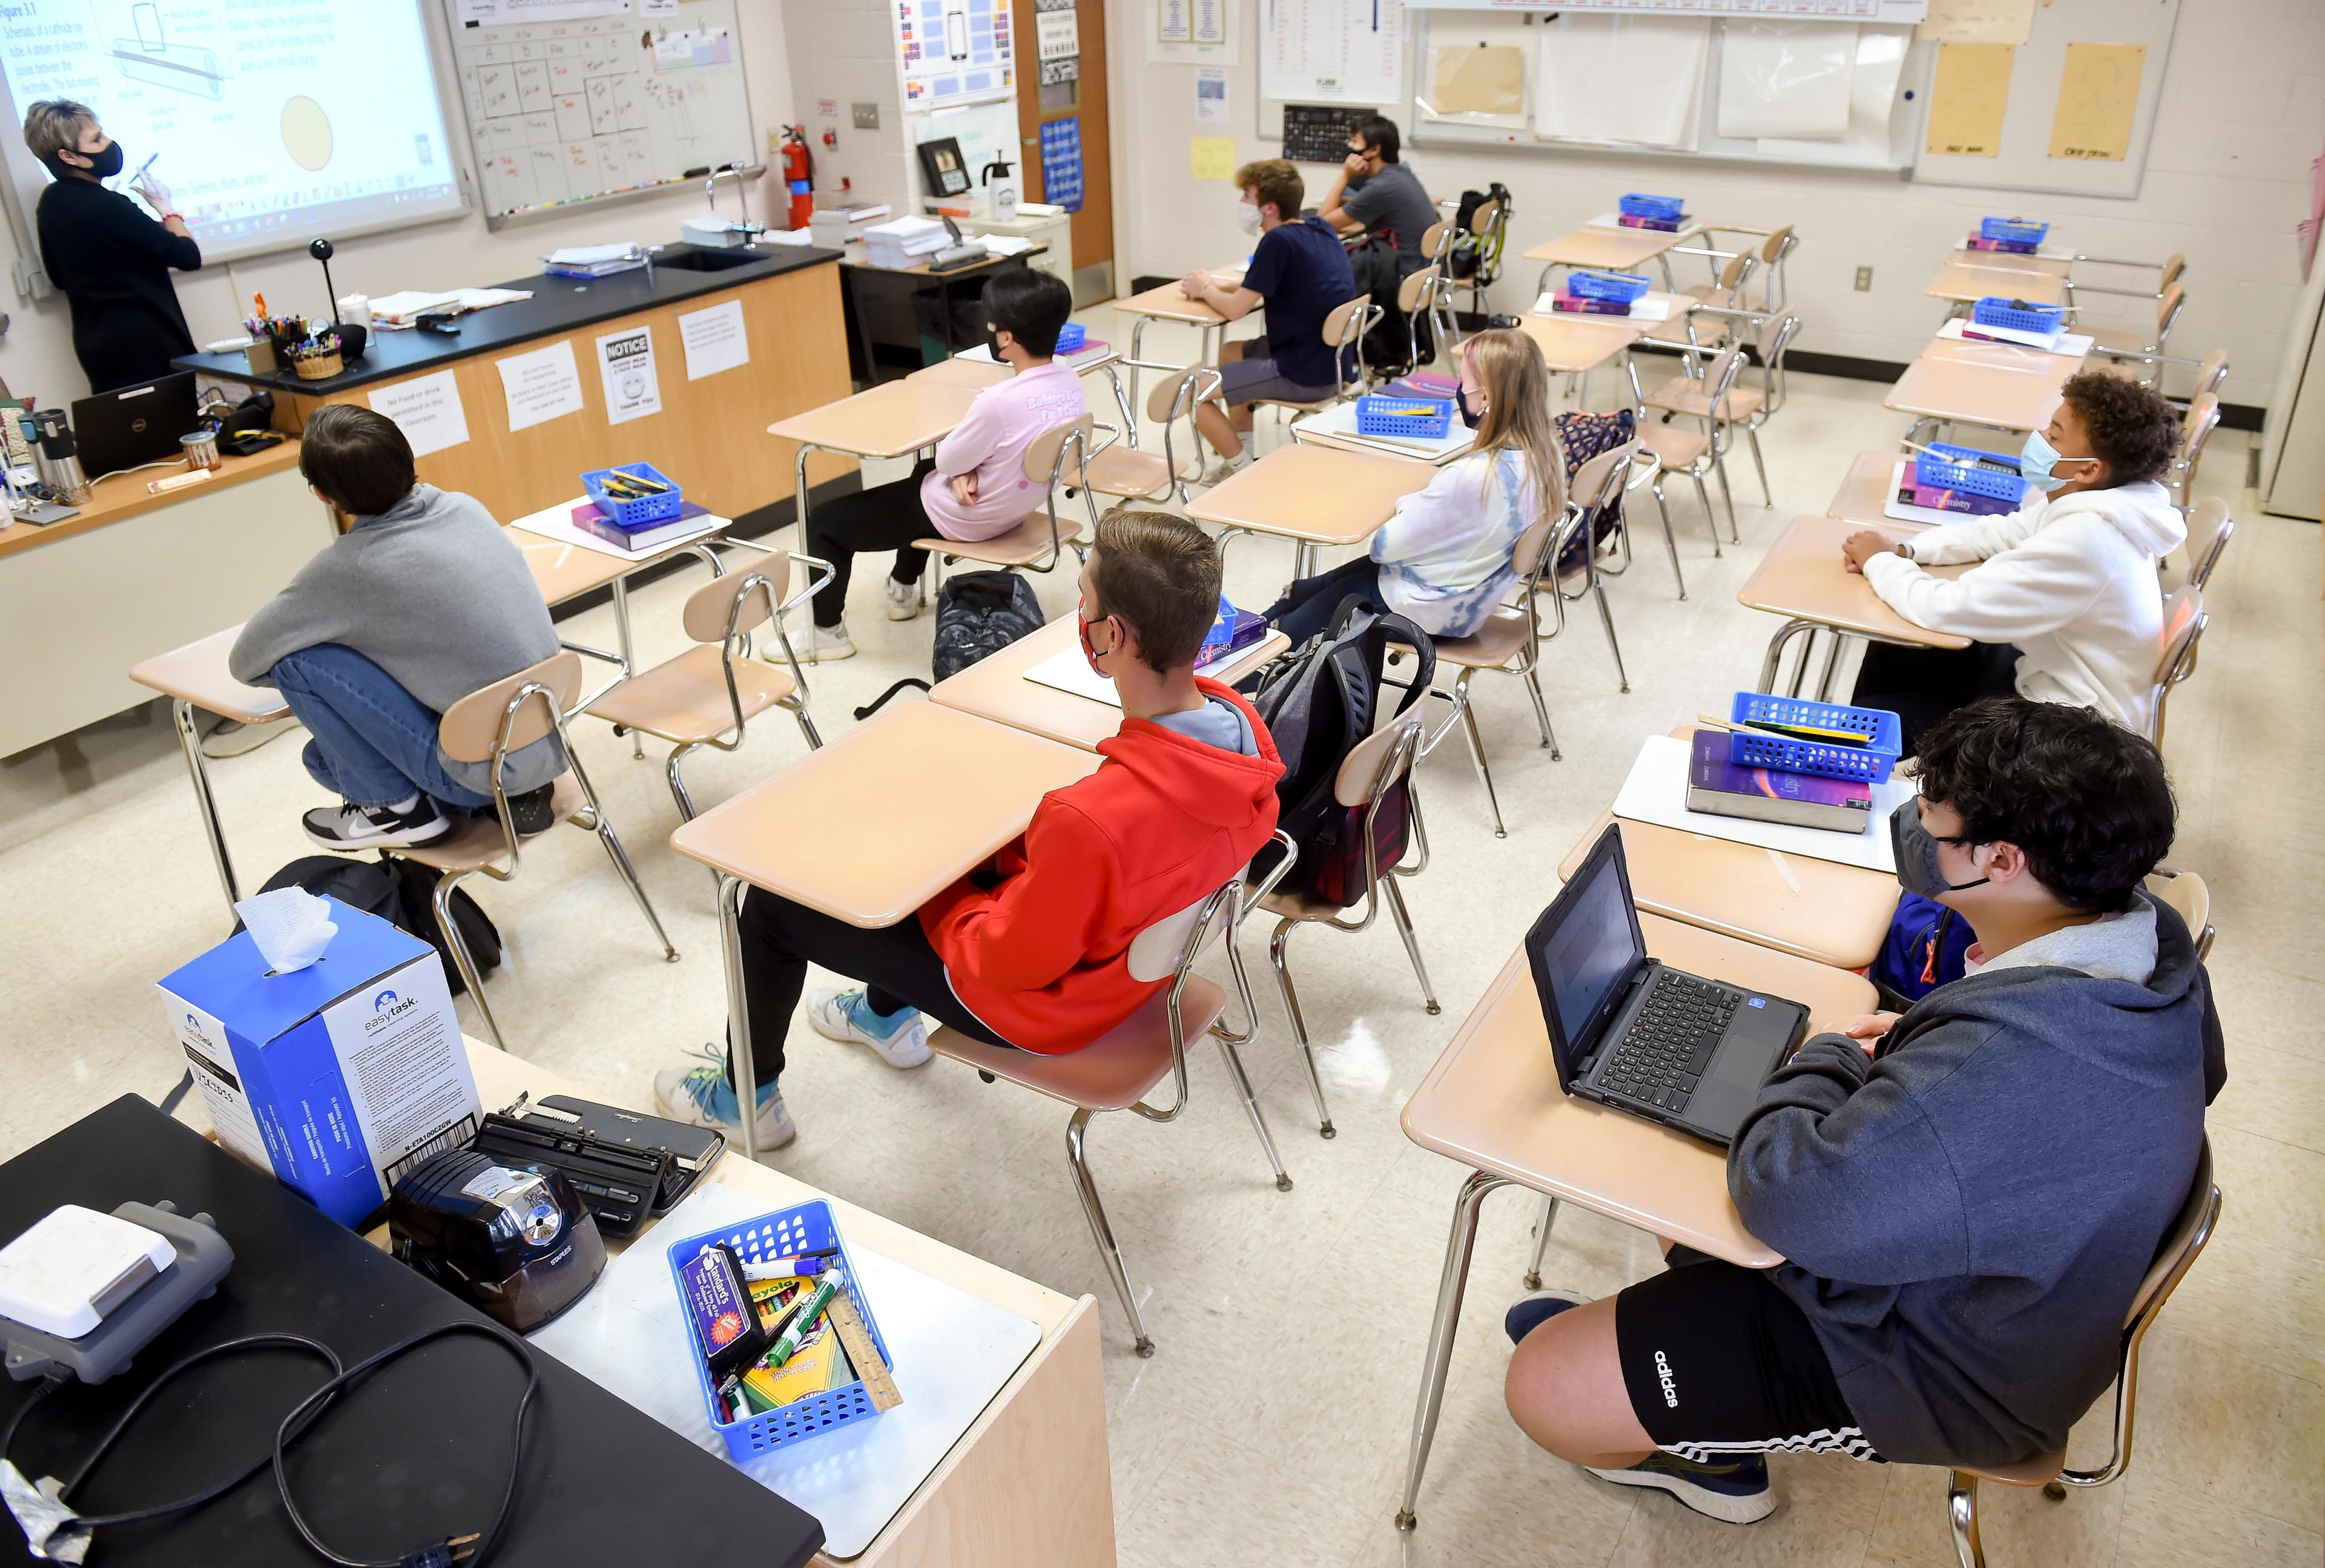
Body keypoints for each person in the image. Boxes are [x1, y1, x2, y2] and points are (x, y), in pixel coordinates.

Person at [1500, 697, 2220, 1524]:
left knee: (1543, 1387)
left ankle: (1715, 1457)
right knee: (1695, 1164)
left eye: (1932, 819)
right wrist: (1918, 1061)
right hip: (2000, 1281)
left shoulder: (2007, 1062)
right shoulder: (2147, 940)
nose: (1912, 825)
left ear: (2002, 859)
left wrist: (1831, 1055)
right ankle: (1667, 1370)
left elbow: (1788, 1201)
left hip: (1941, 1367)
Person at [657, 512, 1285, 1149]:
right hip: (1133, 976)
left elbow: (1005, 962)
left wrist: (938, 884)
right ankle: (883, 1015)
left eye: (1084, 599)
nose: (1079, 613)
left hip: (1048, 1011)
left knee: (769, 906)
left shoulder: (1092, 820)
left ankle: (745, 1099)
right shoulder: (1246, 746)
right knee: (958, 850)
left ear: (1113, 634)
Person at [228, 405, 565, 851]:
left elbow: (246, 662)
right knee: (325, 755)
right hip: (545, 746)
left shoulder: (349, 568)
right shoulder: (468, 508)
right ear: (409, 460)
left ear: (323, 496)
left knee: (299, 666)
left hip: (479, 773)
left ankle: (395, 811)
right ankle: (467, 798)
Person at [1844, 369, 2186, 749]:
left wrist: (1878, 561)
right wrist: (1905, 551)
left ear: (2089, 469)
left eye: (2054, 436)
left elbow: (1946, 607)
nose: (2040, 438)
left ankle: (1852, 761)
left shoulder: (2090, 538)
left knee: (1876, 720)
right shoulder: (2093, 503)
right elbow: (1998, 533)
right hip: (2049, 673)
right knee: (1899, 644)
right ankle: (1858, 760)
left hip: (2073, 727)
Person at [794, 268, 1084, 662]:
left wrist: (959, 467)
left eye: (991, 323)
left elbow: (949, 458)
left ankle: (826, 633)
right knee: (923, 472)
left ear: (1006, 339)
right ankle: (902, 587)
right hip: (1015, 506)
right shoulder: (1070, 382)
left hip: (968, 516)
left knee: (826, 523)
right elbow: (970, 458)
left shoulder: (998, 401)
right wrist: (963, 468)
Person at [1261, 328, 1560, 645]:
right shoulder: (1548, 455)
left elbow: (1384, 548)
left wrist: (1408, 503)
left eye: (1464, 385)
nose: (1460, 393)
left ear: (1485, 398)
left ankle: (1252, 660)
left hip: (1425, 609)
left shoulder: (1473, 477)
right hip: (1466, 593)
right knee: (1311, 589)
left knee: (1288, 632)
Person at [1179, 160, 1357, 481]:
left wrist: (1205, 288)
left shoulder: (1277, 242)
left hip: (1303, 373)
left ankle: (1243, 474)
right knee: (1231, 353)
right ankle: (1245, 450)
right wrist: (1216, 287)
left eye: (1247, 196)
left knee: (1191, 393)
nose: (1242, 202)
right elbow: (1259, 286)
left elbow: (1236, 310)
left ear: (1270, 207)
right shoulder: (1319, 228)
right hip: (1333, 363)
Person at [22, 100, 202, 394]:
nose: (108, 143)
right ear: (69, 156)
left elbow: (58, 277)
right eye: (96, 140)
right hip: (147, 344)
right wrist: (166, 209)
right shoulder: (109, 205)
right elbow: (188, 256)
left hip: (97, 348)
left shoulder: (50, 203)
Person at [1317, 115, 1437, 275]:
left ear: (1374, 150)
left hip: (1401, 276)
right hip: (1423, 272)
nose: (1350, 146)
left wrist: (1346, 175)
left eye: (1354, 141)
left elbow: (1320, 224)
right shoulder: (1401, 173)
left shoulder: (1381, 187)